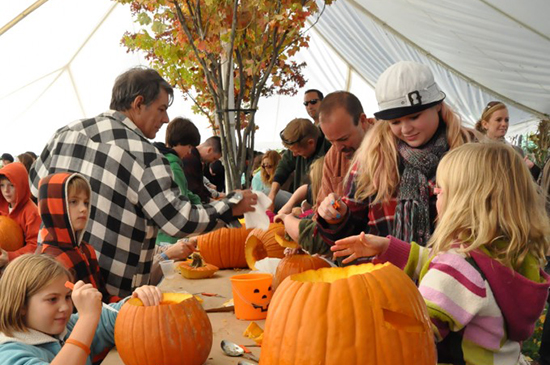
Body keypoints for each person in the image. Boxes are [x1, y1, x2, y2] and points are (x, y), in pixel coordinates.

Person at [29, 67, 257, 297]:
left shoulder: (66, 132)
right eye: (161, 109)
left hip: (52, 283)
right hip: (113, 295)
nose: (166, 119)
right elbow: (178, 220)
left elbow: (35, 186)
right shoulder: (146, 156)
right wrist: (231, 204)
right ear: (138, 103)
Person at [331, 142, 550, 365]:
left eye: (440, 190)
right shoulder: (504, 252)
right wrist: (388, 248)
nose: (435, 197)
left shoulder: (456, 270)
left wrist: (354, 319)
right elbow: (448, 267)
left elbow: (414, 331)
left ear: (464, 203)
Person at [316, 61, 474, 252]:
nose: (406, 129)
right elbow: (351, 232)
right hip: (383, 275)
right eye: (396, 121)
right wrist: (338, 216)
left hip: (447, 275)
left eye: (415, 117)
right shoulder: (371, 158)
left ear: (438, 106)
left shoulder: (470, 154)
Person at [0, 254, 161, 365]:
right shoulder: (9, 353)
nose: (64, 307)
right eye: (52, 299)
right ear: (21, 305)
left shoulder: (68, 327)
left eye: (68, 297)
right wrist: (87, 318)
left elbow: (112, 317)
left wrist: (137, 300)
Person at [276, 91, 373, 255]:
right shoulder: (333, 156)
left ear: (362, 121)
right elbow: (320, 215)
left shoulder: (387, 146)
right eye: (331, 141)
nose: (338, 148)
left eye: (343, 139)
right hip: (346, 252)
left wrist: (290, 222)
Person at [39, 173, 119, 303]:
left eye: (86, 203)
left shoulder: (87, 249)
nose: (83, 209)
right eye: (73, 202)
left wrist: (127, 304)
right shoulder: (50, 261)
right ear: (54, 205)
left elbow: (102, 297)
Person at [153, 117, 202, 245]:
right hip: (171, 237)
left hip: (161, 235)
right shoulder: (174, 166)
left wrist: (196, 200)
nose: (190, 151)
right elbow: (181, 200)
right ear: (178, 142)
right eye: (189, 146)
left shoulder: (164, 159)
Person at [268, 118, 331, 211]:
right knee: (266, 194)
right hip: (302, 202)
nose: (294, 155)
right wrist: (272, 195)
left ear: (311, 143)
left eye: (297, 151)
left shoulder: (330, 149)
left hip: (322, 204)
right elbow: (283, 168)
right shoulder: (297, 144)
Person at [475, 100, 540, 178]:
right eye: (498, 120)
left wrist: (531, 169)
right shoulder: (475, 151)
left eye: (506, 120)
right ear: (485, 124)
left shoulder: (517, 151)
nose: (504, 124)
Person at [0, 162, 40, 264]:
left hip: (22, 264)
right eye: (2, 185)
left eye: (11, 185)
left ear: (21, 185)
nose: (6, 190)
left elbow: (35, 245)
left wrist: (10, 256)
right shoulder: (2, 206)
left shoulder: (31, 212)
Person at [182, 136, 223, 203]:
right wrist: (209, 200)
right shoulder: (192, 160)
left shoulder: (194, 158)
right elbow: (194, 188)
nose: (213, 162)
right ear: (209, 150)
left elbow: (199, 185)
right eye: (214, 158)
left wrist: (211, 195)